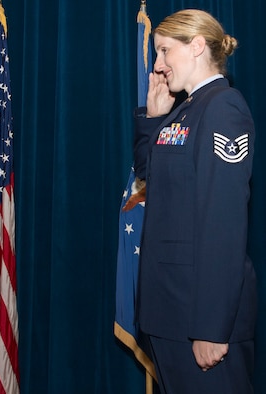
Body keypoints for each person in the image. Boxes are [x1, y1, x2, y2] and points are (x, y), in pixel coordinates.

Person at [133, 9, 256, 394]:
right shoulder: (187, 109)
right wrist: (154, 120)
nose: (159, 65)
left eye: (165, 51)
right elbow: (151, 177)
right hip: (170, 314)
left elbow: (223, 223)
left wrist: (210, 327)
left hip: (198, 321)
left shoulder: (222, 108)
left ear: (197, 46)